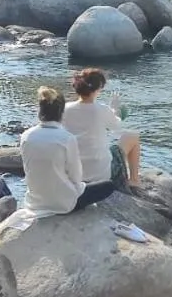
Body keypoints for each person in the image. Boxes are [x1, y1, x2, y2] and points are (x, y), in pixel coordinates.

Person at [64, 68, 142, 197]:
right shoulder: (101, 110)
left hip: (73, 172)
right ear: (99, 87)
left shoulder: (65, 109)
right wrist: (114, 109)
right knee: (132, 136)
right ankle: (134, 180)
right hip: (100, 174)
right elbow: (117, 125)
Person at [17, 87, 85, 218]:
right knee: (107, 187)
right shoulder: (67, 138)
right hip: (63, 204)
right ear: (61, 112)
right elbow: (76, 176)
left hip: (34, 202)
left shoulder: (26, 136)